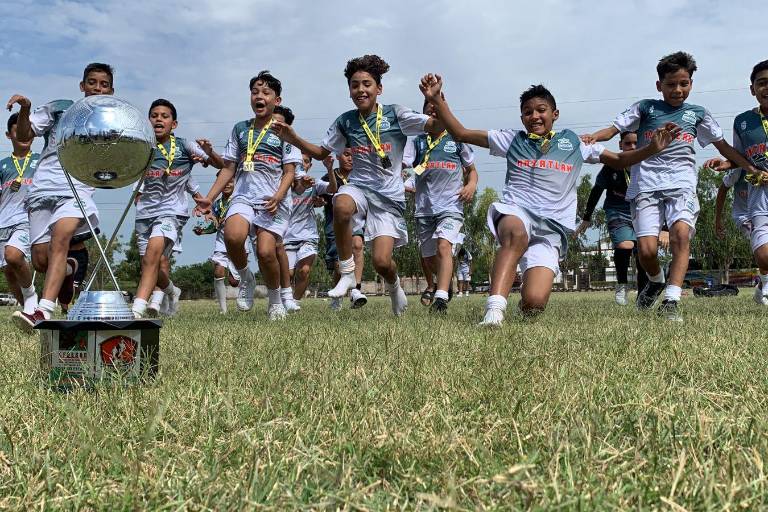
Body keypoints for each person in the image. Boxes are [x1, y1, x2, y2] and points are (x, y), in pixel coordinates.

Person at [419, 75, 680, 326]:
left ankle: (524, 303)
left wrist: (651, 149)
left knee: (534, 303)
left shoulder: (575, 142)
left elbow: (619, 160)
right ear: (522, 117)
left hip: (552, 229)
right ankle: (494, 312)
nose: (534, 116)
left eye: (541, 110)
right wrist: (437, 100)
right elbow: (461, 133)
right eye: (527, 112)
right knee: (515, 232)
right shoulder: (512, 139)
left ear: (554, 114)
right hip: (516, 212)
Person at [584, 51, 761, 322]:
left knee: (680, 235)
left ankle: (671, 300)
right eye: (671, 84)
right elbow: (613, 130)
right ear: (659, 85)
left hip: (682, 185)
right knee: (646, 251)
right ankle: (656, 280)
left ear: (691, 84)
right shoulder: (645, 108)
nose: (678, 90)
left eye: (684, 84)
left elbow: (724, 147)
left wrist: (749, 167)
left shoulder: (698, 114)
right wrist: (592, 137)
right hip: (646, 185)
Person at [272, 55, 444, 316]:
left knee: (382, 262)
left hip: (388, 198)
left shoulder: (396, 114)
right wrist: (293, 137)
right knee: (341, 204)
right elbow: (321, 153)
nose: (360, 90)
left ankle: (394, 286)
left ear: (379, 88)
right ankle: (348, 273)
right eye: (354, 85)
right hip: (359, 189)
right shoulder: (345, 121)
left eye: (366, 84)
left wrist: (436, 99)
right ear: (349, 90)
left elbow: (437, 126)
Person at [7, 62, 114, 331]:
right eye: (92, 82)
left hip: (76, 190)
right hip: (43, 190)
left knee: (61, 237)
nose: (97, 88)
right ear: (82, 86)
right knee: (41, 261)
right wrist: (26, 110)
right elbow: (25, 134)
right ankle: (69, 268)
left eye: (104, 84)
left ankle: (43, 310)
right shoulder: (60, 108)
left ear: (111, 91)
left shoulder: (114, 121)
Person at [195, 71, 301, 321]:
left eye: (265, 92)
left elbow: (289, 171)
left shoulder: (284, 132)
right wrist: (209, 198)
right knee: (232, 237)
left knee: (266, 252)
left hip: (272, 200)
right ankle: (246, 277)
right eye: (255, 92)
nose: (259, 96)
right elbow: (228, 168)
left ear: (277, 100)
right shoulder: (240, 129)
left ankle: (275, 301)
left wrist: (278, 196)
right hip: (243, 196)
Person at [130, 99, 223, 319]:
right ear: (148, 121)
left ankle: (137, 309)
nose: (158, 119)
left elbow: (221, 165)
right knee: (149, 265)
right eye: (154, 116)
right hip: (145, 214)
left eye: (164, 116)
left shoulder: (185, 146)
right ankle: (172, 291)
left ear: (174, 124)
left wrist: (209, 153)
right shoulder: (142, 147)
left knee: (154, 254)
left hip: (172, 213)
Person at [402, 98, 477, 314]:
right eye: (429, 110)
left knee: (444, 246)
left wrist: (471, 185)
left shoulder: (457, 139)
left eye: (438, 109)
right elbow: (403, 164)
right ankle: (445, 281)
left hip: (451, 207)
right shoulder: (417, 142)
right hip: (424, 210)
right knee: (429, 258)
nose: (434, 113)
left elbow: (471, 170)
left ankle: (441, 298)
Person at [705, 59, 768, 307]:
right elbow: (740, 158)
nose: (766, 88)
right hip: (758, 194)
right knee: (763, 254)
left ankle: (764, 287)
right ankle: (764, 284)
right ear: (752, 89)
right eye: (761, 83)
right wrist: (726, 163)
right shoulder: (743, 121)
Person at [574, 131, 639, 305]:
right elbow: (597, 190)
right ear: (620, 145)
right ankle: (622, 285)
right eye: (628, 143)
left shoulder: (647, 164)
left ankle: (644, 292)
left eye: (636, 143)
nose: (632, 147)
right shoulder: (612, 165)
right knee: (625, 245)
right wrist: (586, 217)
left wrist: (664, 226)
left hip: (642, 211)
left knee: (644, 252)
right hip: (617, 211)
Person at [284, 154, 338, 306]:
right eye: (298, 161)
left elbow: (332, 188)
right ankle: (283, 301)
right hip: (286, 236)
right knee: (288, 274)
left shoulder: (314, 184)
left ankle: (294, 304)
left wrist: (329, 169)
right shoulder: (282, 184)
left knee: (304, 271)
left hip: (308, 235)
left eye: (306, 161)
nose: (302, 164)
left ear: (310, 166)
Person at [193, 174, 251, 313]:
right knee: (218, 271)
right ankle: (223, 310)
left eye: (230, 182)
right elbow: (215, 225)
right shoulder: (216, 204)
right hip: (221, 242)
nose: (227, 185)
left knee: (234, 282)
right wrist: (203, 231)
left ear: (235, 183)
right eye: (224, 182)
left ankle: (245, 294)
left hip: (238, 242)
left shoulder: (240, 201)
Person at [318, 150, 367, 311]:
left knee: (358, 245)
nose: (350, 159)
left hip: (356, 221)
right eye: (346, 154)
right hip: (335, 225)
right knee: (339, 265)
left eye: (354, 155)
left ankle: (356, 291)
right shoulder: (328, 177)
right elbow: (322, 195)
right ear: (338, 156)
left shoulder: (361, 176)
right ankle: (337, 299)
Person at [0, 113, 39, 313]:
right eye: (18, 131)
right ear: (9, 135)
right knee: (9, 271)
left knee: (13, 256)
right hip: (3, 223)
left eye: (28, 131)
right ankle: (29, 314)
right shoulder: (3, 165)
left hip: (27, 220)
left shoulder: (41, 161)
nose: (24, 135)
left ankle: (31, 295)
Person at [271, 105, 301, 312]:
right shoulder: (251, 138)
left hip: (278, 204)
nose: (273, 126)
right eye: (271, 121)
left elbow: (296, 181)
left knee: (276, 246)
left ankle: (285, 296)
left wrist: (302, 184)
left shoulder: (289, 144)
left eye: (278, 123)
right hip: (250, 202)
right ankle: (247, 279)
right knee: (262, 251)